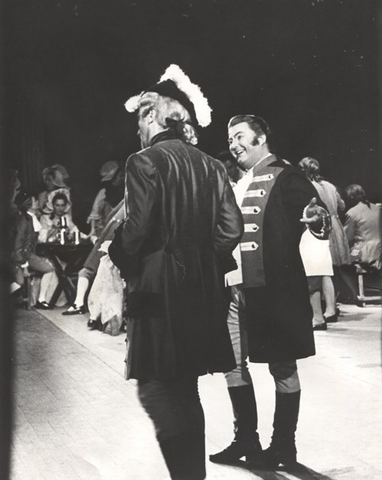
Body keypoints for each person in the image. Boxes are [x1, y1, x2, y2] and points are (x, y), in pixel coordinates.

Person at [109, 64, 243, 480]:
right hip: (202, 291)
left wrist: (119, 253)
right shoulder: (212, 166)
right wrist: (204, 259)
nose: (138, 132)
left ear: (151, 115)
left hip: (155, 290)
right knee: (186, 387)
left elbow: (138, 229)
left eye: (139, 122)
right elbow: (232, 230)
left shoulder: (143, 161)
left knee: (154, 387)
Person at [209, 115, 330, 469]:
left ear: (261, 137)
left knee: (282, 366)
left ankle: (283, 447)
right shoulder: (238, 181)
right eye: (230, 137)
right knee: (231, 364)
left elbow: (316, 215)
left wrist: (316, 217)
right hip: (235, 290)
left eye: (240, 136)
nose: (233, 143)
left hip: (274, 291)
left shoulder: (288, 175)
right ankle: (246, 440)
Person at [298, 157, 349, 325]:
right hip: (334, 225)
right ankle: (330, 308)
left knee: (317, 270)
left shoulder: (306, 186)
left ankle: (320, 311)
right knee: (327, 270)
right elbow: (342, 206)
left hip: (317, 228)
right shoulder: (330, 186)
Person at [61, 199, 125, 319]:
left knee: (96, 272)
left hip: (112, 235)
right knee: (91, 271)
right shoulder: (119, 201)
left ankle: (84, 306)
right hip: (110, 236)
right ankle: (81, 304)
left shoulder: (124, 201)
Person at [11, 190, 56, 309]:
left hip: (27, 255)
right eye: (35, 200)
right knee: (19, 283)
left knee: (49, 269)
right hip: (20, 256)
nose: (37, 202)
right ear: (29, 204)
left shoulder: (31, 218)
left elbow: (30, 239)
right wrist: (24, 264)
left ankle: (41, 299)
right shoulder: (24, 220)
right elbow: (18, 243)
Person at [343, 184, 382, 270]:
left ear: (351, 197)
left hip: (364, 254)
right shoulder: (378, 209)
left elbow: (346, 238)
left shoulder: (352, 213)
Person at [86, 161, 124, 242]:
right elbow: (95, 213)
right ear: (113, 177)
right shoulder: (103, 192)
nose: (122, 178)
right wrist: (93, 231)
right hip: (106, 232)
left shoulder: (124, 192)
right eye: (120, 176)